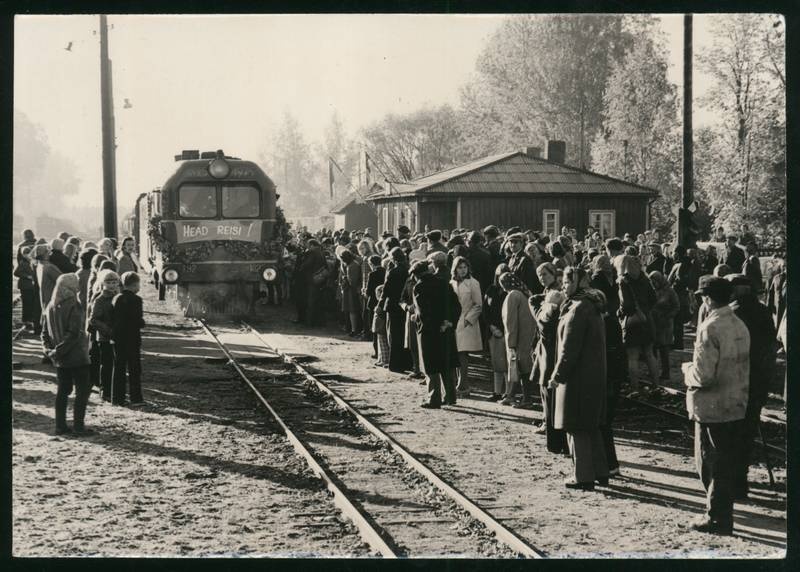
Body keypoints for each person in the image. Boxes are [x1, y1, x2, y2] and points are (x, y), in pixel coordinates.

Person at [682, 276, 750, 535]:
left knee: (710, 464)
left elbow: (703, 375)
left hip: (712, 406)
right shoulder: (739, 324)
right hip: (736, 402)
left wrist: (687, 370)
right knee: (727, 462)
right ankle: (722, 514)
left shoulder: (710, 327)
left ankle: (717, 518)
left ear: (708, 298)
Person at [548, 266, 609, 490]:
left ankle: (582, 475)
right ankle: (601, 471)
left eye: (565, 281)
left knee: (575, 425)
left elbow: (568, 350)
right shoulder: (592, 305)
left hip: (577, 377)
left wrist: (556, 376)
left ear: (577, 282)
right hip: (594, 374)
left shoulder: (577, 309)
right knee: (592, 425)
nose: (563, 286)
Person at [726, 274, 776, 499]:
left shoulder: (732, 314)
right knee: (747, 431)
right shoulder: (764, 311)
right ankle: (741, 479)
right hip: (758, 380)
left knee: (731, 431)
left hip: (736, 380)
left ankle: (735, 483)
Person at [42, 273, 93, 435]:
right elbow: (74, 333)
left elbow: (44, 333)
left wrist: (50, 351)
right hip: (76, 356)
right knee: (82, 391)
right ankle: (78, 426)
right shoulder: (73, 305)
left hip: (60, 358)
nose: (79, 286)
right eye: (76, 284)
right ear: (71, 287)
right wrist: (59, 350)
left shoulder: (50, 306)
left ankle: (60, 425)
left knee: (62, 391)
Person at [529, 263, 569, 453]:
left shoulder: (554, 294)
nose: (542, 278)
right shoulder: (545, 293)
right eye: (539, 275)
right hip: (544, 347)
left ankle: (551, 429)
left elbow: (544, 320)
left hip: (551, 348)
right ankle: (547, 421)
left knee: (548, 389)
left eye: (545, 274)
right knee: (545, 388)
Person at [590, 255, 625, 474]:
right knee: (604, 422)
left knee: (602, 422)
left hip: (607, 377)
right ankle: (607, 463)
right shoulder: (610, 322)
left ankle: (608, 464)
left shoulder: (605, 324)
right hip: (612, 376)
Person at [413, 259, 460, 408]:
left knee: (431, 365)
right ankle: (451, 396)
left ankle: (434, 398)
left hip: (429, 331)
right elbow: (456, 305)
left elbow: (424, 311)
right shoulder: (444, 283)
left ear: (416, 275)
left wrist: (424, 323)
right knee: (446, 363)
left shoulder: (419, 287)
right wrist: (448, 322)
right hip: (446, 329)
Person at [616, 255, 659, 391]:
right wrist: (645, 310)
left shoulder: (623, 280)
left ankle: (635, 389)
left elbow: (626, 305)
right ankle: (656, 386)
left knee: (632, 357)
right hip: (647, 319)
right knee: (649, 354)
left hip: (632, 322)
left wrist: (620, 312)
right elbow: (654, 298)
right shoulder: (645, 279)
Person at [499, 272, 536, 408]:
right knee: (520, 367)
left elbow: (511, 322)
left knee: (520, 367)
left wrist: (511, 342)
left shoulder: (513, 296)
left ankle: (527, 399)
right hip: (527, 336)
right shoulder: (525, 293)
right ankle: (511, 395)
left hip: (518, 337)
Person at [111, 271, 146, 406]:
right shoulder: (137, 300)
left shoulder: (116, 298)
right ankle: (135, 398)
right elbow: (137, 320)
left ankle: (117, 398)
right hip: (132, 338)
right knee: (134, 368)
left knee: (118, 367)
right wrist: (142, 323)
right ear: (135, 284)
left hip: (118, 337)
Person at [451, 256, 483, 397]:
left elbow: (478, 305)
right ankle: (458, 383)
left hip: (466, 321)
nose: (463, 270)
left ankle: (463, 385)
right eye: (460, 267)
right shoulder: (452, 282)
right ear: (455, 269)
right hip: (454, 320)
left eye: (465, 267)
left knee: (462, 353)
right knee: (456, 353)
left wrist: (467, 320)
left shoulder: (473, 283)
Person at [88, 269, 120, 402]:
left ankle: (113, 389)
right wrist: (107, 330)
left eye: (114, 282)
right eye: (108, 282)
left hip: (117, 336)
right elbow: (93, 319)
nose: (112, 285)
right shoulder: (100, 299)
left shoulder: (118, 296)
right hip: (104, 337)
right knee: (106, 364)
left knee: (115, 364)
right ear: (103, 283)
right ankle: (104, 389)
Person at [379, 247, 413, 373]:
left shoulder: (393, 272)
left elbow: (386, 290)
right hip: (405, 305)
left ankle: (395, 364)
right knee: (405, 334)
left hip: (393, 305)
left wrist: (380, 304)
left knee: (394, 334)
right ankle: (407, 362)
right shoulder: (408, 270)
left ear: (393, 258)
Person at [483, 264, 509, 401]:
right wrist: (492, 327)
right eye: (500, 275)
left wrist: (504, 330)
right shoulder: (491, 289)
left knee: (506, 365)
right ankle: (497, 392)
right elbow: (485, 310)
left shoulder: (511, 292)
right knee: (496, 364)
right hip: (493, 331)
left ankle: (508, 393)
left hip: (506, 331)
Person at [649, 271, 680, 381]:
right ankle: (654, 370)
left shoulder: (669, 291)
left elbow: (676, 306)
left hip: (665, 324)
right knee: (652, 349)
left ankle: (666, 372)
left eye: (655, 282)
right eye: (651, 282)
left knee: (664, 349)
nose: (653, 284)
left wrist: (668, 316)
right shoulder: (651, 291)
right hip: (653, 322)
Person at [295, 239, 326, 326]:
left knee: (310, 301)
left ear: (312, 245)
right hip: (319, 279)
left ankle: (310, 322)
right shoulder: (321, 252)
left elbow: (307, 264)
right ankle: (318, 322)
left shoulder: (313, 253)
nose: (307, 247)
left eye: (308, 245)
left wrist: (301, 268)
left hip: (311, 279)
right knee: (317, 300)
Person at [34, 243, 62, 321]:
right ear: (45, 254)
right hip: (52, 295)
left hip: (44, 295)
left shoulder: (39, 265)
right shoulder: (49, 267)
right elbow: (61, 279)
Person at [338, 250, 363, 337]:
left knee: (352, 311)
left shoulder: (351, 266)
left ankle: (354, 329)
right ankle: (354, 329)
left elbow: (352, 281)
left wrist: (345, 281)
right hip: (351, 290)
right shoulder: (355, 263)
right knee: (352, 311)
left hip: (351, 291)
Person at [372, 285, 390, 367]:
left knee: (383, 344)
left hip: (381, 327)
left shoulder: (382, 306)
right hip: (379, 327)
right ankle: (381, 359)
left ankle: (385, 360)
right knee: (381, 344)